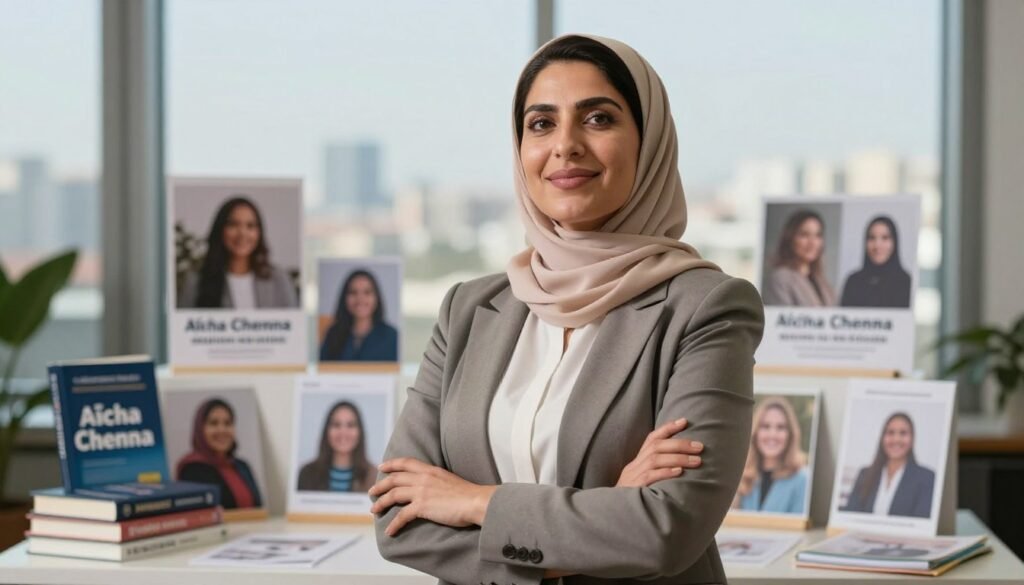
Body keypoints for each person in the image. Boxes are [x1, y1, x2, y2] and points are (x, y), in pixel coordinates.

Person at [369, 34, 765, 585]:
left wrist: (474, 502)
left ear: (648, 141)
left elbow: (664, 531)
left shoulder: (707, 309)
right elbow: (400, 520)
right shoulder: (468, 309)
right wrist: (603, 518)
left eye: (599, 119)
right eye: (541, 123)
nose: (566, 145)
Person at [178, 196, 298, 309]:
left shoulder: (279, 279)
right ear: (221, 229)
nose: (242, 233)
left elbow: (293, 327)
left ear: (259, 233)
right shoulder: (195, 281)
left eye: (250, 226)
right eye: (233, 224)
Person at [841, 412, 935, 518]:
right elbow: (849, 515)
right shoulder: (865, 474)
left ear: (912, 438)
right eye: (890, 433)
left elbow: (922, 521)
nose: (896, 439)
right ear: (883, 438)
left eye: (903, 433)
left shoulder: (927, 478)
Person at [176, 398, 263, 510]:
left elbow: (259, 509)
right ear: (200, 429)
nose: (222, 430)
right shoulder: (192, 469)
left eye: (227, 423)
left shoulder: (242, 466)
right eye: (213, 423)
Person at [733, 397, 808, 514]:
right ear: (755, 432)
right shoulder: (741, 476)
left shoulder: (802, 480)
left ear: (790, 435)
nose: (772, 434)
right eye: (765, 426)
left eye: (781, 427)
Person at [319, 269, 399, 362]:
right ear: (344, 297)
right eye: (353, 292)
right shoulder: (333, 334)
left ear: (376, 298)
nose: (360, 299)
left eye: (367, 292)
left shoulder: (392, 337)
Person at [296, 401, 376, 492]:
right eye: (336, 425)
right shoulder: (307, 474)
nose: (343, 432)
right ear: (327, 430)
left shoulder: (373, 476)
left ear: (360, 432)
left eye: (350, 425)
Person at [762, 209, 837, 307]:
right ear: (790, 238)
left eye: (818, 235)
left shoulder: (822, 282)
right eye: (804, 235)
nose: (812, 243)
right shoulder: (781, 279)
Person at [839, 215, 912, 308]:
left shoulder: (905, 282)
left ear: (894, 243)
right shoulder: (853, 281)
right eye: (872, 238)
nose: (877, 245)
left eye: (885, 238)